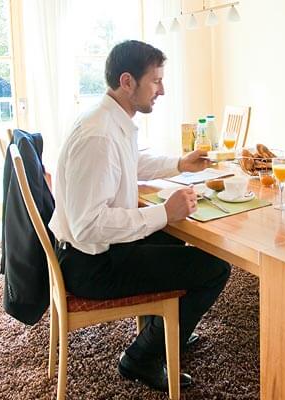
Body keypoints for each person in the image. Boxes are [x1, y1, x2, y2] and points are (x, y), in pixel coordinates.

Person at [49, 40, 231, 392]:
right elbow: (90, 224)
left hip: (98, 250)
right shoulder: (99, 135)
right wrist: (163, 212)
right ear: (128, 81)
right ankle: (142, 357)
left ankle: (168, 327)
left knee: (181, 241)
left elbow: (132, 163)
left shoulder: (108, 120)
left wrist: (179, 163)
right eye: (156, 81)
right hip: (91, 265)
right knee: (215, 269)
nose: (162, 90)